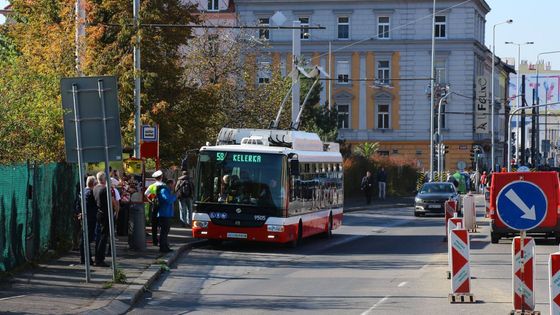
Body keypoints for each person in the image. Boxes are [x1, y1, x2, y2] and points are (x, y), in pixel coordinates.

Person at [75, 176, 97, 265]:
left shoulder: (82, 192)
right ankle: (86, 259)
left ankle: (84, 258)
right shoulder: (91, 193)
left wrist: (79, 213)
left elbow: (76, 204)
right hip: (90, 218)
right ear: (94, 184)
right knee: (86, 239)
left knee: (84, 238)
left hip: (83, 217)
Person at [93, 171, 111, 267]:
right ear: (104, 179)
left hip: (99, 213)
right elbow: (111, 202)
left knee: (99, 236)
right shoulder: (104, 189)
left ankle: (97, 258)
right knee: (104, 237)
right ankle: (100, 259)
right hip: (105, 214)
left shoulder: (95, 188)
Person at [145, 170, 165, 246]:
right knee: (162, 224)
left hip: (154, 206)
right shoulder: (164, 185)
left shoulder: (152, 186)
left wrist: (150, 201)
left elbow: (145, 194)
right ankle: (162, 241)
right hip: (162, 207)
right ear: (161, 177)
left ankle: (155, 241)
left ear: (155, 178)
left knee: (154, 224)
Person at [158, 179, 177, 253]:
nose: (174, 186)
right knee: (164, 231)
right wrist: (175, 196)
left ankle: (165, 246)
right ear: (169, 184)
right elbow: (168, 200)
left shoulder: (167, 191)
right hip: (164, 214)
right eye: (173, 185)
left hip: (167, 213)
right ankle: (162, 247)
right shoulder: (164, 191)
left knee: (166, 231)